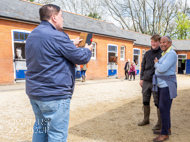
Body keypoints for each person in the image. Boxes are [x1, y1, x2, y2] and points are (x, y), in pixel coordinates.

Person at [25, 4, 92, 142]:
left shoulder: (32, 35)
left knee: (41, 129)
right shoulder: (58, 36)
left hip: (36, 95)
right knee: (57, 134)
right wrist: (87, 49)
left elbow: (50, 51)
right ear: (54, 17)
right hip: (54, 96)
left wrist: (71, 42)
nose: (63, 20)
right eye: (61, 17)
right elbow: (81, 58)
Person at [152, 36, 177, 142]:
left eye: (164, 42)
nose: (162, 44)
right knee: (164, 108)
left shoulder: (171, 54)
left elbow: (162, 69)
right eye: (161, 42)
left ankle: (165, 134)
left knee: (164, 108)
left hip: (167, 85)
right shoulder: (165, 54)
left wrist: (157, 63)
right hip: (162, 84)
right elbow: (161, 69)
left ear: (170, 43)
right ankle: (167, 128)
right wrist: (159, 65)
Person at [138, 34, 163, 131]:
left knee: (157, 102)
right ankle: (146, 119)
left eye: (155, 41)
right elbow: (143, 66)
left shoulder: (162, 53)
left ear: (159, 42)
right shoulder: (147, 53)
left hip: (156, 81)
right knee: (145, 100)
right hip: (146, 81)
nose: (153, 43)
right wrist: (141, 78)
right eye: (152, 41)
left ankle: (159, 123)